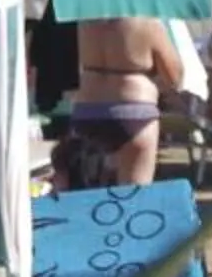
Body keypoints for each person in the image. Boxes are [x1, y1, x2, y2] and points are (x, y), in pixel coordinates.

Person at [70, 17, 182, 186]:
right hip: (134, 111)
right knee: (134, 194)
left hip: (88, 108)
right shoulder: (148, 22)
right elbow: (174, 77)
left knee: (87, 191)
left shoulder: (85, 22)